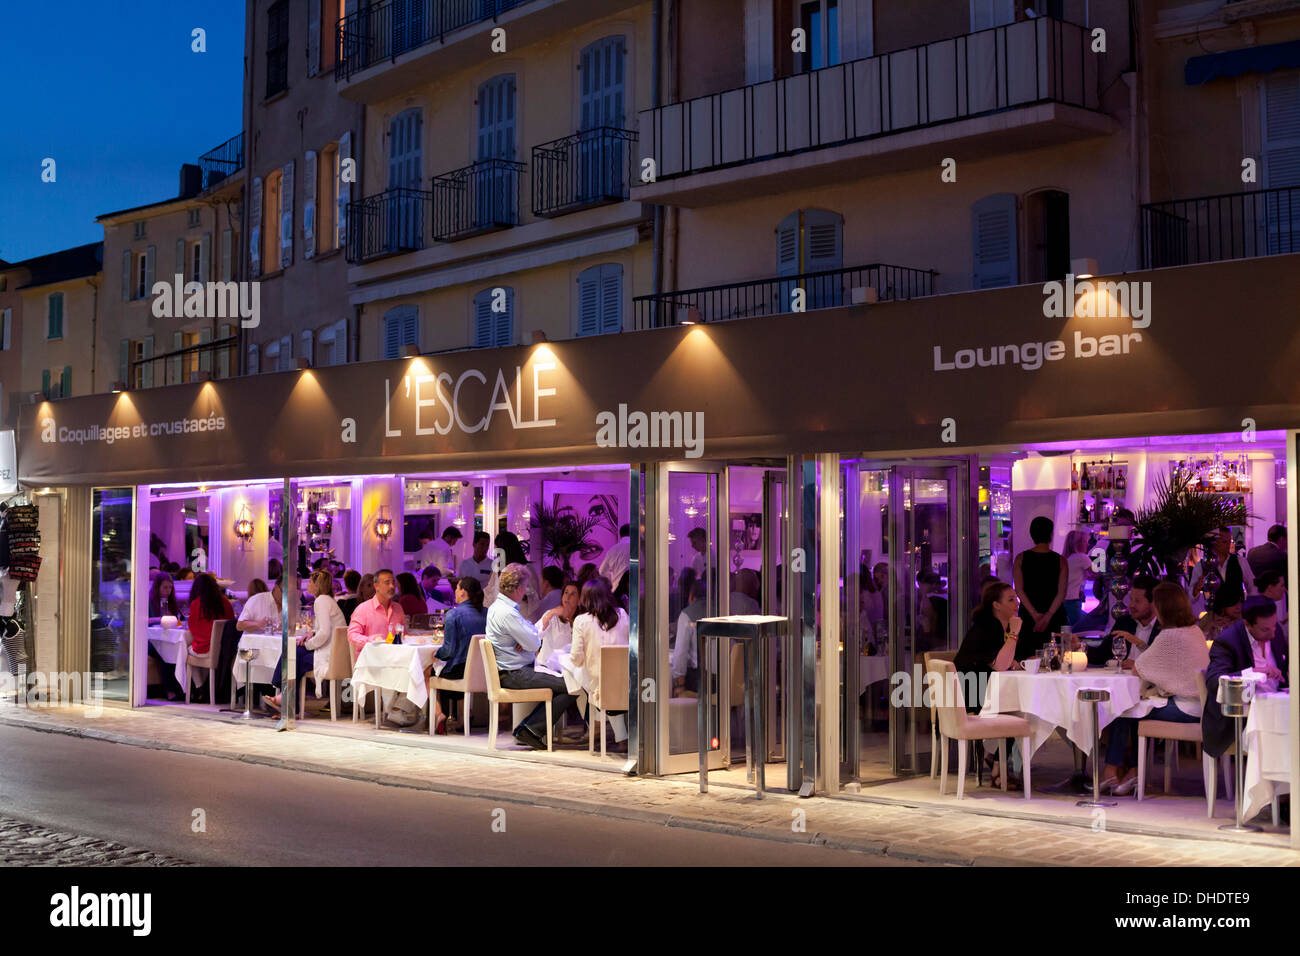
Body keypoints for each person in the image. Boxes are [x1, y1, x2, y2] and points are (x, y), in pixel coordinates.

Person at [1101, 583, 1210, 795]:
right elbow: (1162, 661)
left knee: (1124, 708)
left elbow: (1141, 669)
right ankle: (1131, 772)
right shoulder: (1193, 631)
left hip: (1185, 708)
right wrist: (1140, 646)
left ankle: (1114, 771)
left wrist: (1135, 662)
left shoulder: (1169, 636)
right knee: (1135, 707)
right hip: (1202, 706)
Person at [486, 563, 577, 750]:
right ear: (519, 589)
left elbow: (530, 636)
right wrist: (528, 636)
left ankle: (530, 728)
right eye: (525, 586)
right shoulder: (508, 613)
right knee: (572, 685)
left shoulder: (499, 607)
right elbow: (535, 643)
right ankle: (530, 729)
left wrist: (527, 635)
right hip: (515, 674)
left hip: (513, 671)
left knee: (569, 684)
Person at [953, 581, 1023, 788]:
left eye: (1016, 598)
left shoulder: (998, 627)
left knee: (1014, 702)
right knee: (1014, 707)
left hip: (980, 687)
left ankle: (995, 757)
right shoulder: (987, 628)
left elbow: (1002, 661)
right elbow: (1000, 665)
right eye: (1011, 599)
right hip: (968, 691)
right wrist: (1014, 633)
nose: (1017, 603)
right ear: (996, 605)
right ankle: (998, 770)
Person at [1203, 596, 1289, 762]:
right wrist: (1254, 671)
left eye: (1273, 627)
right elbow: (1214, 681)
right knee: (1274, 734)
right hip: (1240, 719)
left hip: (1276, 709)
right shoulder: (1227, 641)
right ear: (1247, 624)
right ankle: (1265, 787)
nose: (1272, 634)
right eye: (1265, 630)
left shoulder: (1274, 631)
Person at [263, 570, 345, 715]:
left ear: (316, 584)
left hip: (328, 655)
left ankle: (286, 699)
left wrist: (308, 644)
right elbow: (327, 628)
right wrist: (312, 633)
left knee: (293, 653)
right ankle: (288, 700)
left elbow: (325, 633)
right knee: (295, 653)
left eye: (311, 582)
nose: (308, 584)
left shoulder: (321, 601)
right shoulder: (328, 600)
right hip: (336, 653)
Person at [346, 569, 419, 726]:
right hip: (372, 662)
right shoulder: (363, 609)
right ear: (376, 586)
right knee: (407, 671)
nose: (392, 586)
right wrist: (372, 640)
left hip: (394, 659)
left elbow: (403, 635)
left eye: (393, 582)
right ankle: (395, 710)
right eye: (387, 583)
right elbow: (352, 635)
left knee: (418, 670)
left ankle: (396, 709)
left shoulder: (398, 608)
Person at [568, 577, 630, 746]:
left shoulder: (582, 621)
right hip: (625, 678)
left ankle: (594, 724)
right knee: (598, 680)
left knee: (570, 673)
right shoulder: (622, 614)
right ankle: (600, 725)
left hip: (599, 683)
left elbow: (576, 658)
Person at [431, 576, 488, 734]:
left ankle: (438, 714)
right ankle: (464, 717)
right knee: (452, 667)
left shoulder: (453, 615)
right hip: (485, 671)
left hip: (460, 671)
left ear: (463, 592)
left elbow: (448, 651)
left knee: (429, 670)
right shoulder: (487, 613)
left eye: (457, 588)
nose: (455, 592)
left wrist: (436, 653)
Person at [1013, 516, 1068, 660]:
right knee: (1056, 659)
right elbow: (1061, 593)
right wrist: (1048, 615)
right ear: (1051, 534)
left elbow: (1019, 590)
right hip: (1054, 615)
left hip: (1029, 615)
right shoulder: (1061, 560)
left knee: (1027, 657)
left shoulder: (1021, 558)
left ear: (1032, 534)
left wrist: (1035, 614)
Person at [1089, 574, 1161, 666]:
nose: (1131, 605)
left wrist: (1137, 666)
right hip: (1121, 679)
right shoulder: (1124, 623)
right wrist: (1079, 647)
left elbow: (1164, 664)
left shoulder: (1164, 627)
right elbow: (1101, 655)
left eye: (1137, 601)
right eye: (1131, 599)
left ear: (1154, 602)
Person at [186, 572, 235, 703]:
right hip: (223, 651)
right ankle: (203, 688)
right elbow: (231, 624)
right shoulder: (225, 602)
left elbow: (193, 628)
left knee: (185, 651)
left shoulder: (197, 604)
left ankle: (200, 687)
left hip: (206, 649)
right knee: (192, 650)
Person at [1189, 527, 1255, 615]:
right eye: (1224, 542)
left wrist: (1250, 608)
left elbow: (1252, 587)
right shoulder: (1201, 566)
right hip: (1214, 616)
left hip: (1237, 616)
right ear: (1213, 543)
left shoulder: (1240, 561)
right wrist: (1197, 588)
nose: (1229, 545)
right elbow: (1191, 598)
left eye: (1230, 541)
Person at [670, 577, 709, 693]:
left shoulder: (687, 615)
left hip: (701, 679)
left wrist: (678, 684)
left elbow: (681, 653)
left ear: (691, 596)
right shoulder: (721, 610)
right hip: (725, 676)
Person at [534, 581, 580, 675]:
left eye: (573, 594)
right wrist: (550, 614)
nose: (567, 597)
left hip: (568, 671)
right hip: (546, 668)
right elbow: (535, 635)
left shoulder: (581, 621)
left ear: (579, 600)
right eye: (566, 593)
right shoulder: (552, 616)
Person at [1062, 529, 1093, 627]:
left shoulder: (1069, 558)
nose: (1088, 545)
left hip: (1064, 599)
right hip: (1073, 599)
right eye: (1086, 542)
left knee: (1068, 628)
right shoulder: (1082, 557)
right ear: (1078, 543)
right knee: (1078, 629)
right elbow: (1096, 573)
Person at [598, 524, 631, 593]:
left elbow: (601, 572)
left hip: (617, 590)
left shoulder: (612, 550)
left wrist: (612, 579)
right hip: (634, 589)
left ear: (620, 535)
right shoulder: (637, 548)